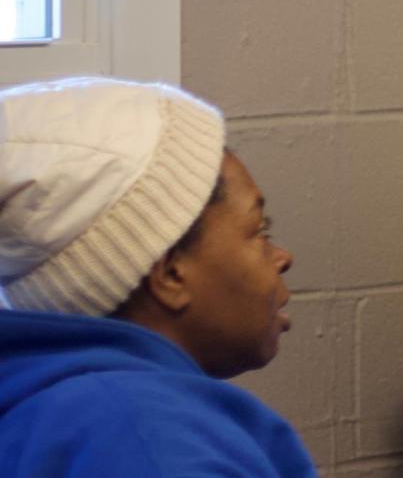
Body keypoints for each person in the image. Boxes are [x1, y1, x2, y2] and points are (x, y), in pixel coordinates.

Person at [0, 76, 313, 477]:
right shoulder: (148, 441)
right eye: (258, 231)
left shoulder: (65, 408)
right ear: (170, 274)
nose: (282, 257)